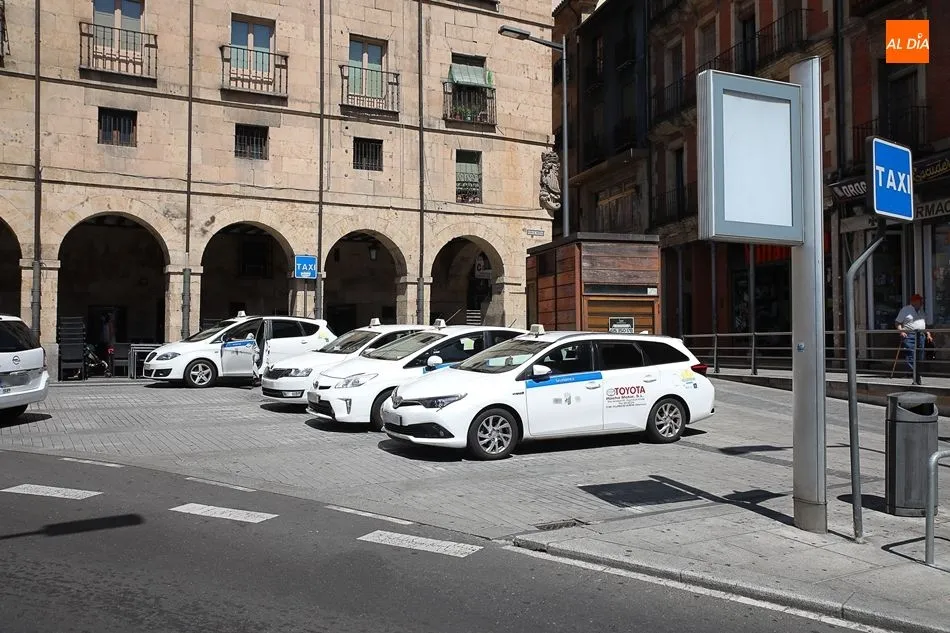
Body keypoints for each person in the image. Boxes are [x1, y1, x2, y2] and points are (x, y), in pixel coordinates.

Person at [895, 294, 933, 385]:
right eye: (920, 301)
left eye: (921, 301)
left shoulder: (921, 311)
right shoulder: (905, 310)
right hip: (910, 334)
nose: (921, 303)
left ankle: (916, 373)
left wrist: (928, 333)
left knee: (920, 355)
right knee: (911, 354)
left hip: (921, 335)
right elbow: (897, 323)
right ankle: (915, 375)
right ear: (914, 301)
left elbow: (923, 324)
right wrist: (901, 331)